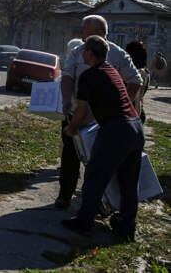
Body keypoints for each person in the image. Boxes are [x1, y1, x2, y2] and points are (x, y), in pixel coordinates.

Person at [61, 36, 144, 241]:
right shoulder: (112, 71)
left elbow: (80, 111)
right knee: (128, 181)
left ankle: (84, 222)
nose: (81, 54)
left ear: (90, 53)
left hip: (116, 130)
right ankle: (127, 227)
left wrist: (71, 129)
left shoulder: (89, 75)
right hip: (135, 127)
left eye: (84, 51)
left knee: (95, 175)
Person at [125, 41, 150, 123]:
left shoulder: (137, 74)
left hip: (133, 113)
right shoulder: (146, 72)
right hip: (138, 112)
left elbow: (137, 98)